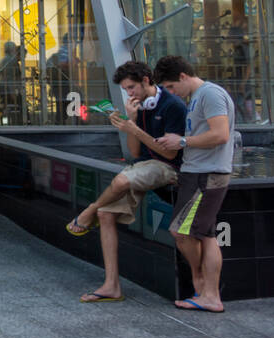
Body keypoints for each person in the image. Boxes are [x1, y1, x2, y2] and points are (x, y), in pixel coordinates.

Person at [66, 61, 186, 302]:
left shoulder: (173, 106)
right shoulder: (138, 107)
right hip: (145, 166)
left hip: (170, 168)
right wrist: (130, 124)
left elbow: (170, 154)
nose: (129, 94)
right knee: (106, 215)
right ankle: (112, 286)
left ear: (145, 80)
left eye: (132, 87)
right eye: (125, 89)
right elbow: (134, 153)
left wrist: (135, 128)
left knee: (120, 181)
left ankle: (89, 210)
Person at [154, 55, 236, 314]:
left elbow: (221, 134)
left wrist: (182, 142)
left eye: (170, 87)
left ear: (182, 77)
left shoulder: (210, 94)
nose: (170, 93)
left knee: (185, 232)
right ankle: (207, 290)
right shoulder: (199, 97)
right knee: (204, 234)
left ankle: (206, 289)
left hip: (206, 175)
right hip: (199, 173)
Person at [0, 42, 24, 125]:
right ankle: (13, 123)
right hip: (7, 88)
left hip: (3, 86)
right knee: (12, 106)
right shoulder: (11, 61)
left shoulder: (3, 60)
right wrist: (13, 93)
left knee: (6, 107)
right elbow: (10, 78)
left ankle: (5, 123)